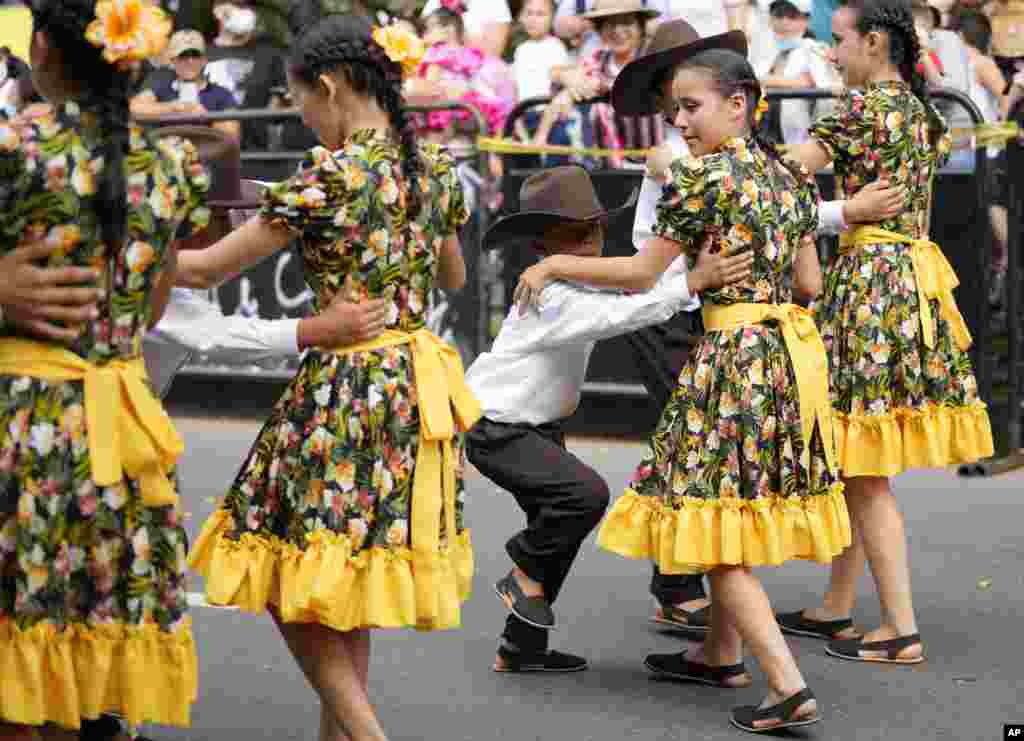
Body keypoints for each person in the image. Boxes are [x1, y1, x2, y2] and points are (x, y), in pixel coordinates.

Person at [513, 37, 849, 734]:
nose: (680, 124)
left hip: (730, 356)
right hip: (787, 358)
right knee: (736, 513)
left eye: (690, 108)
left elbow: (640, 273)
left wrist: (552, 270)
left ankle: (785, 682)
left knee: (708, 527)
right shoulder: (789, 178)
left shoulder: (701, 180)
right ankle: (722, 650)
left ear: (739, 104)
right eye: (674, 113)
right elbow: (811, 283)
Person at [178, 14, 477, 741]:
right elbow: (454, 273)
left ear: (333, 87)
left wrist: (127, 240)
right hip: (414, 387)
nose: (304, 118)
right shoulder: (428, 167)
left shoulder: (331, 176)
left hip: (345, 388)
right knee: (347, 580)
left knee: (286, 573)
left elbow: (206, 268)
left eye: (302, 102)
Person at [625, 18, 906, 634]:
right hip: (673, 307)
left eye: (692, 95)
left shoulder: (720, 162)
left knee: (709, 461)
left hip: (716, 319)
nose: (681, 111)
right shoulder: (686, 161)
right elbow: (664, 258)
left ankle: (722, 640)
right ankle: (685, 592)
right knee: (696, 458)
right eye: (676, 97)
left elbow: (772, 213)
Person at [0, 0, 207, 739]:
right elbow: (149, 312)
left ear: (46, 50)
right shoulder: (174, 166)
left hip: (22, 427)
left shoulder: (14, 147)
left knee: (14, 670)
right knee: (77, 666)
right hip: (119, 434)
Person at [469, 165, 754, 674]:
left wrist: (686, 272)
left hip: (536, 427)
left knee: (558, 522)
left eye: (593, 229)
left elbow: (635, 286)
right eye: (575, 236)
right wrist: (693, 279)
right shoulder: (552, 295)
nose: (593, 242)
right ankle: (519, 576)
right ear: (542, 247)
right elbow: (623, 314)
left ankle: (521, 647)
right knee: (584, 497)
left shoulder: (571, 281)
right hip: (499, 429)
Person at [779, 0, 993, 663]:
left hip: (869, 284)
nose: (830, 55)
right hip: (908, 280)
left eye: (837, 42)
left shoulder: (862, 109)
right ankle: (837, 606)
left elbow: (786, 171)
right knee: (857, 457)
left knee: (865, 471)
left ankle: (899, 627)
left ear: (875, 43)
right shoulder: (920, 112)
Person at [131, 29, 242, 142]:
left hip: (205, 155)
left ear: (204, 60)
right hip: (168, 156)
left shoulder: (221, 94)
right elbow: (135, 108)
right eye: (183, 56)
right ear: (173, 61)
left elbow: (231, 138)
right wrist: (174, 108)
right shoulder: (161, 86)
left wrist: (207, 117)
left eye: (195, 55)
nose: (190, 61)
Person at [757, 0, 840, 146]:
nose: (784, 22)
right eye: (779, 15)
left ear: (806, 20)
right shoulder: (763, 49)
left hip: (800, 138)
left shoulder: (814, 48)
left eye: (792, 16)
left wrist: (765, 80)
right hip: (764, 133)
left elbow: (811, 83)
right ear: (770, 19)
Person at [513, 0, 571, 101]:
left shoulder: (555, 47)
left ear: (552, 19)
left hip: (544, 108)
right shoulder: (521, 49)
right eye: (529, 13)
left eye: (540, 14)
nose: (532, 19)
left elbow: (559, 81)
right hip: (522, 109)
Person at [421, 0, 514, 57]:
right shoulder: (435, 2)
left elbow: (493, 55)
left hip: (476, 77)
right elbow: (423, 39)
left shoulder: (496, 3)